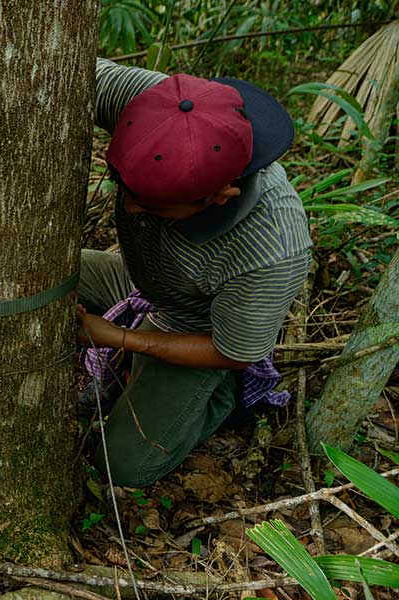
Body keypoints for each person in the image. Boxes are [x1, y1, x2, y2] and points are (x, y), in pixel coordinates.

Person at [77, 58, 311, 487]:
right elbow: (63, 68)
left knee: (123, 465)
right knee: (47, 277)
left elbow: (232, 349)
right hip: (144, 279)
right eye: (125, 189)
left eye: (152, 206)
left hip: (200, 326)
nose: (129, 208)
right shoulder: (156, 109)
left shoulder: (271, 249)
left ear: (222, 195)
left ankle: (224, 396)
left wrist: (121, 339)